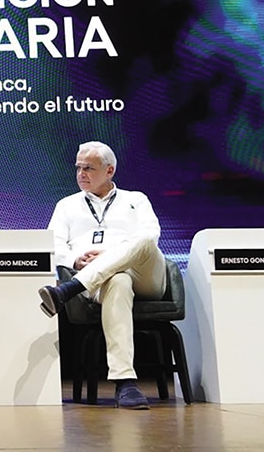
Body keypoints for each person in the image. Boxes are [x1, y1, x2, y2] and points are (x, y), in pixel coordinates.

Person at [36, 141, 166, 410]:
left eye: (89, 168)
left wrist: (108, 254)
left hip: (145, 276)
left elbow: (151, 236)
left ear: (109, 171)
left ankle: (67, 290)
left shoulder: (135, 199)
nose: (81, 174)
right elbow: (52, 244)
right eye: (79, 168)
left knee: (144, 241)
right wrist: (74, 258)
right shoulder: (66, 206)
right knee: (117, 280)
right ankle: (125, 383)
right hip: (100, 282)